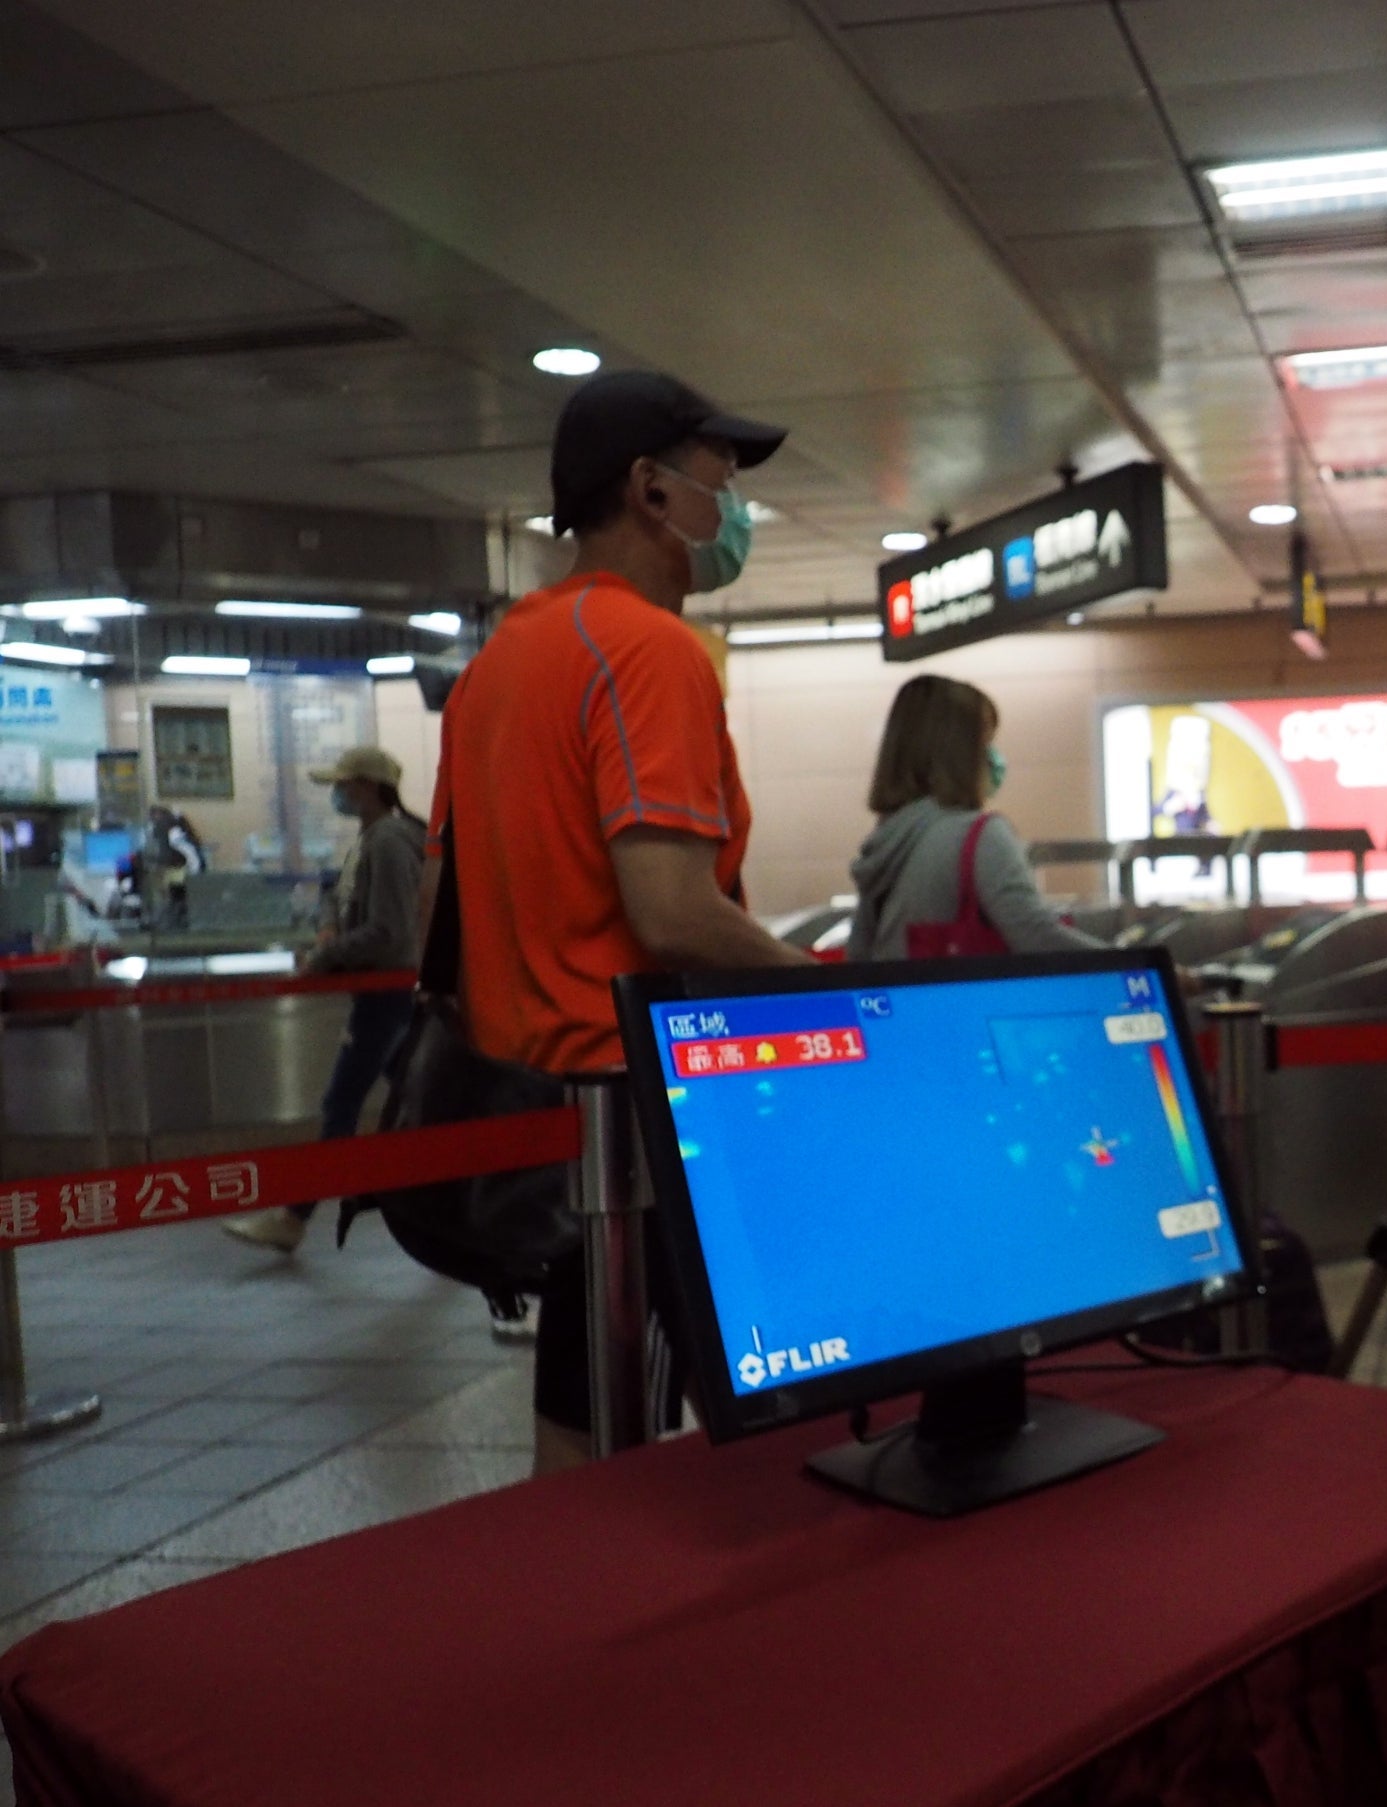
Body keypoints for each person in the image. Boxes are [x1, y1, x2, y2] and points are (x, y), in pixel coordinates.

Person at [431, 369, 814, 1473]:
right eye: (722, 481)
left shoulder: (498, 667)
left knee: (584, 1437)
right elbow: (675, 915)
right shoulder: (645, 650)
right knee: (707, 1448)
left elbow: (443, 923)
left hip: (554, 1137)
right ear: (651, 491)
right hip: (654, 1129)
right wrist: (830, 992)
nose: (735, 509)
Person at [225, 747, 424, 1254]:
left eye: (344, 784)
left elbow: (389, 930)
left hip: (387, 994)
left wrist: (326, 955)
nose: (337, 794)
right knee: (414, 1098)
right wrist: (330, 927)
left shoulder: (389, 843)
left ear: (367, 787)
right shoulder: (374, 840)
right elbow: (340, 901)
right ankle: (446, 1198)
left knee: (343, 1101)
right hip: (387, 995)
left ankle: (295, 1215)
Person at [849, 674, 1109, 960]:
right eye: (985, 743)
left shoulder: (887, 841)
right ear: (959, 753)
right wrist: (1135, 967)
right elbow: (1036, 935)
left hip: (898, 1003)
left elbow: (859, 956)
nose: (993, 757)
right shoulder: (979, 835)